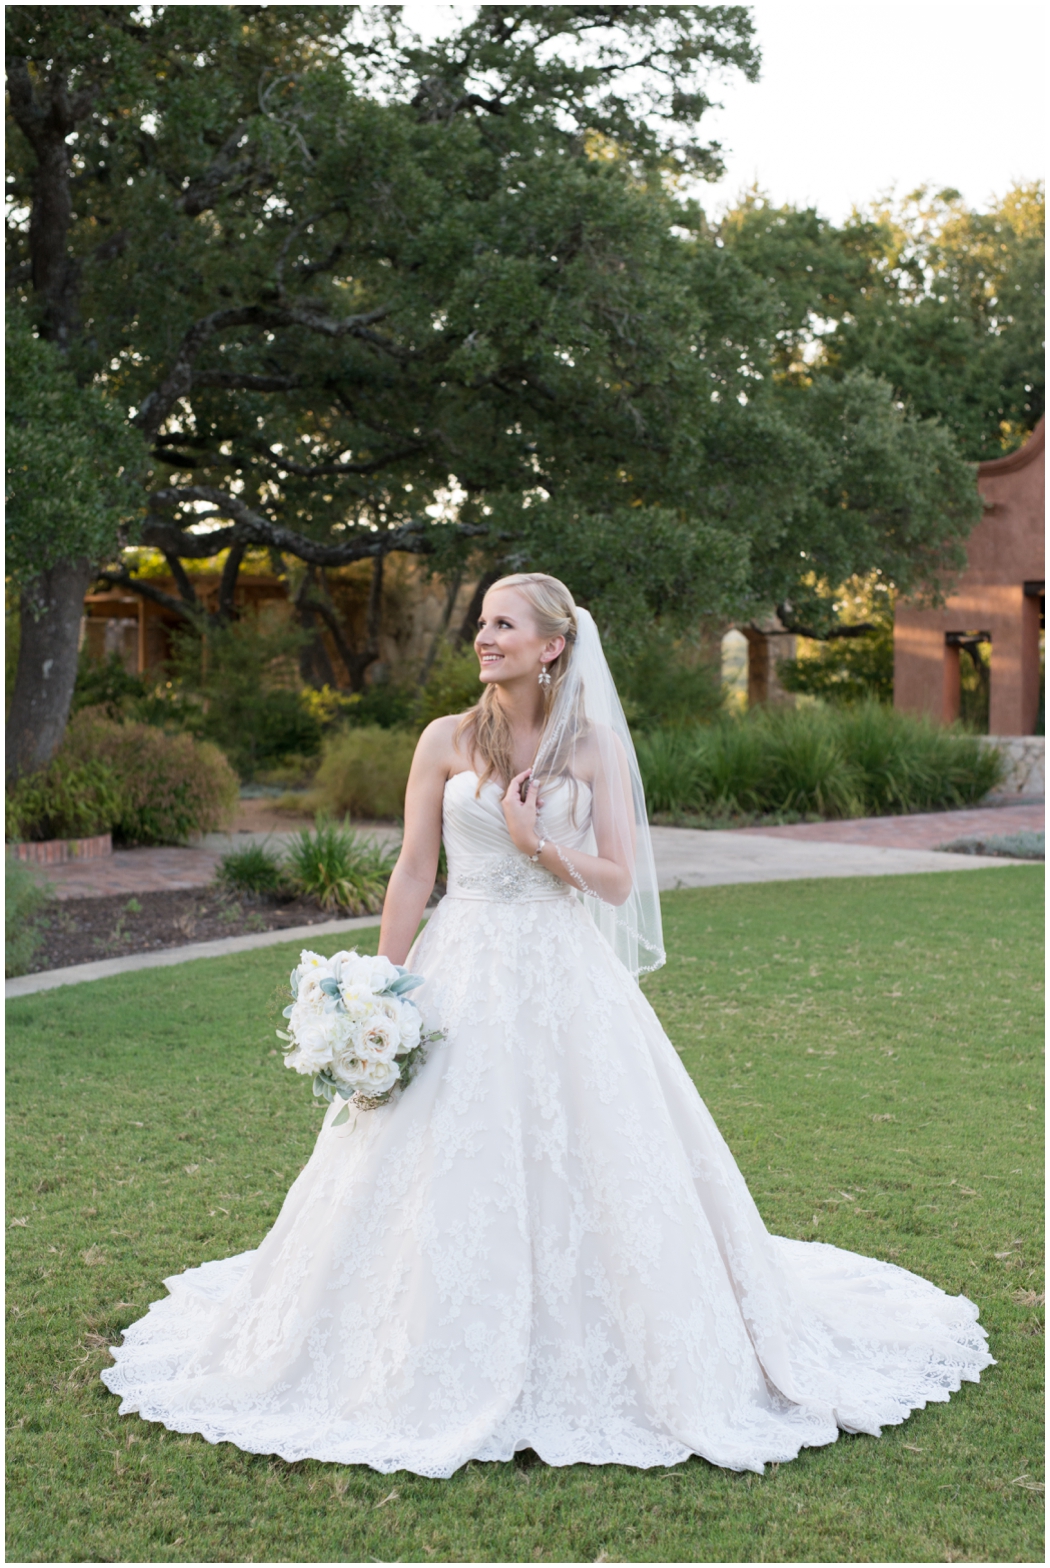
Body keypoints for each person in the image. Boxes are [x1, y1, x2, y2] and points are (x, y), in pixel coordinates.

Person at [102, 572, 992, 1477]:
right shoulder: (445, 739)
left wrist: (538, 848)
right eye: (481, 623)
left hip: (566, 972)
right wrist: (380, 983)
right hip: (461, 963)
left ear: (552, 646)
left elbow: (618, 880)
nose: (484, 638)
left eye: (503, 624)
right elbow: (415, 870)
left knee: (597, 1152)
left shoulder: (593, 748)